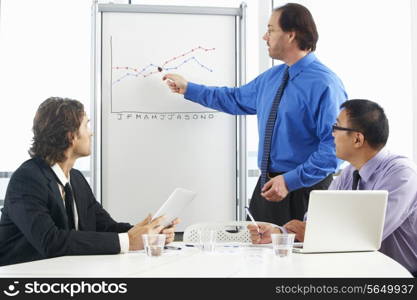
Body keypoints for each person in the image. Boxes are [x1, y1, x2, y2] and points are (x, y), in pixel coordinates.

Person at [163, 3, 347, 226]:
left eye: (270, 30)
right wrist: (189, 88)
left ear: (291, 35)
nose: (264, 37)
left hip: (304, 190)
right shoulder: (273, 77)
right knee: (257, 256)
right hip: (268, 187)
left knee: (299, 257)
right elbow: (235, 98)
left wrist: (289, 181)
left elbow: (335, 149)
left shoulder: (324, 84)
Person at [0, 97, 179, 266]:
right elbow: (50, 241)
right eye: (86, 126)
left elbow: (105, 227)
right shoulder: (27, 180)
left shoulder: (76, 179)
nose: (91, 133)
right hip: (24, 279)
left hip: (66, 275)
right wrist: (130, 241)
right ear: (71, 136)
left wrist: (148, 233)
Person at [248, 99, 417, 276]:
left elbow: (365, 237)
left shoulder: (402, 175)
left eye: (337, 127)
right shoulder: (349, 172)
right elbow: (316, 222)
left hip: (401, 276)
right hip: (362, 270)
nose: (332, 134)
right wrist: (280, 234)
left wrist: (313, 234)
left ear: (357, 139)